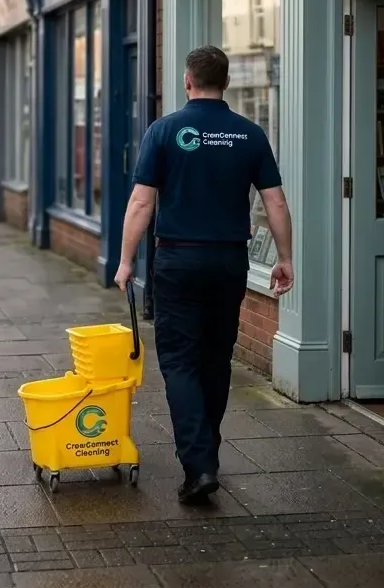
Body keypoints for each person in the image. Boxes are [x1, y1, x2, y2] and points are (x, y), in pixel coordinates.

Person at [114, 45, 294, 506]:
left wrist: (126, 260)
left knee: (179, 362)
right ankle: (207, 455)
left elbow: (140, 202)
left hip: (178, 261)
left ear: (187, 81)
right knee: (216, 360)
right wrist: (285, 257)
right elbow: (274, 202)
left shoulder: (165, 130)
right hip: (230, 263)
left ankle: (199, 467)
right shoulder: (249, 134)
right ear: (227, 82)